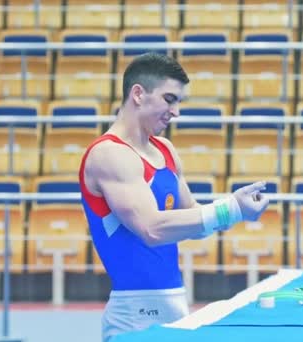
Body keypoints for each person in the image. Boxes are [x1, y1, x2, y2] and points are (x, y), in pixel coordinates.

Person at [78, 52, 270, 342]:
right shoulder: (108, 154)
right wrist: (229, 209)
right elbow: (152, 229)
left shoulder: (165, 150)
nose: (176, 112)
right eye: (169, 99)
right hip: (134, 315)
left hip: (177, 304)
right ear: (138, 94)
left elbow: (192, 217)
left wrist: (235, 212)